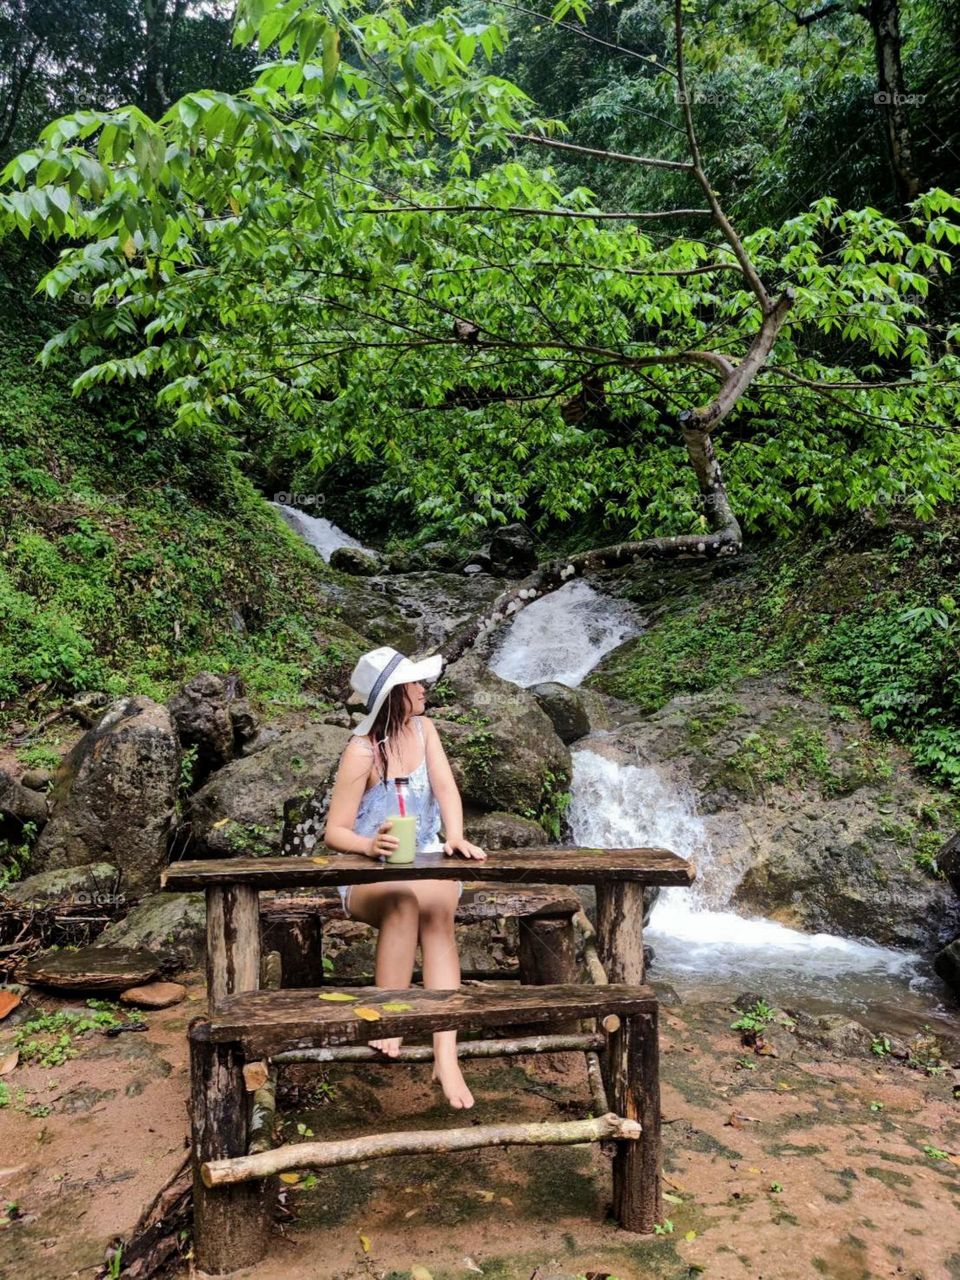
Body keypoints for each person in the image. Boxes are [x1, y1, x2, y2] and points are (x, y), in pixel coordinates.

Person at [322, 645, 487, 1109]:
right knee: (404, 903)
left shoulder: (426, 729)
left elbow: (446, 788)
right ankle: (390, 1019)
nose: (422, 689)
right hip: (368, 875)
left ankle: (445, 1055)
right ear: (395, 695)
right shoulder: (360, 753)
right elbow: (335, 831)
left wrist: (454, 835)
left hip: (429, 858)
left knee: (435, 910)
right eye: (414, 684)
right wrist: (370, 845)